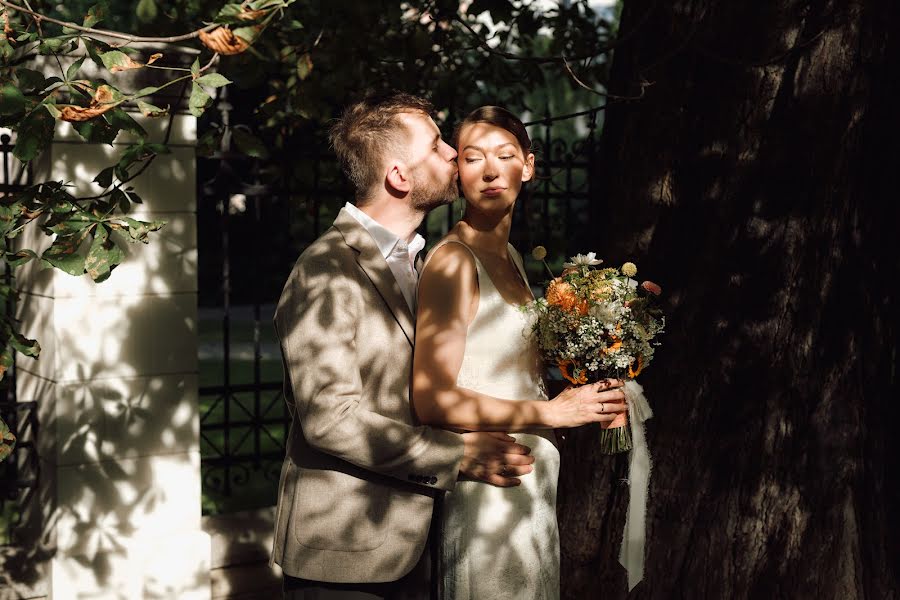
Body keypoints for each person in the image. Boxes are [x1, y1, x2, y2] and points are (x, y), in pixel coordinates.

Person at [270, 93, 539, 600]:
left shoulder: (419, 262)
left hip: (420, 541)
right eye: (438, 145)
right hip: (344, 558)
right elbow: (331, 418)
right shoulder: (324, 270)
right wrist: (457, 454)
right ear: (399, 176)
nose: (452, 155)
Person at [412, 106, 628, 599]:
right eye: (472, 158)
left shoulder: (509, 256)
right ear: (456, 171)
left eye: (505, 155)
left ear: (528, 166)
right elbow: (431, 400)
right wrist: (550, 411)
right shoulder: (452, 262)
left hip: (532, 491)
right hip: (490, 493)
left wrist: (591, 390)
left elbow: (503, 370)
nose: (490, 171)